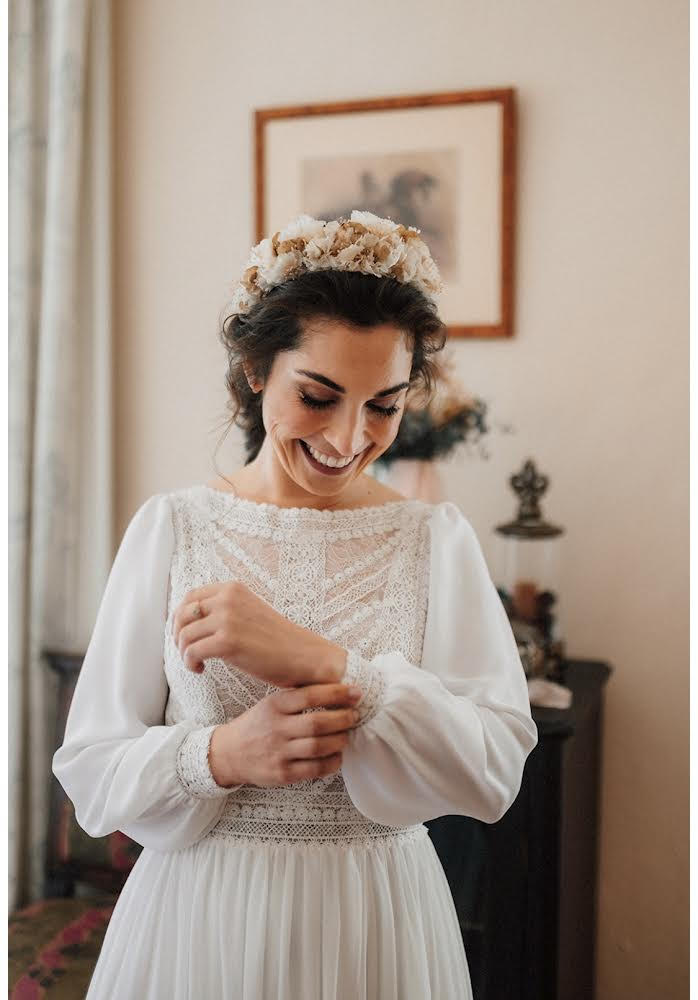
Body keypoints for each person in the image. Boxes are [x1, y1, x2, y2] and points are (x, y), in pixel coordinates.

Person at [52, 210, 539, 999]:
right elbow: (93, 770)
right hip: (199, 923)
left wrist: (331, 666)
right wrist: (222, 756)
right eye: (318, 396)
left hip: (375, 923)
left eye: (384, 405)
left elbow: (491, 770)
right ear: (255, 369)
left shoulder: (434, 540)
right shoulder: (172, 529)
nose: (350, 438)